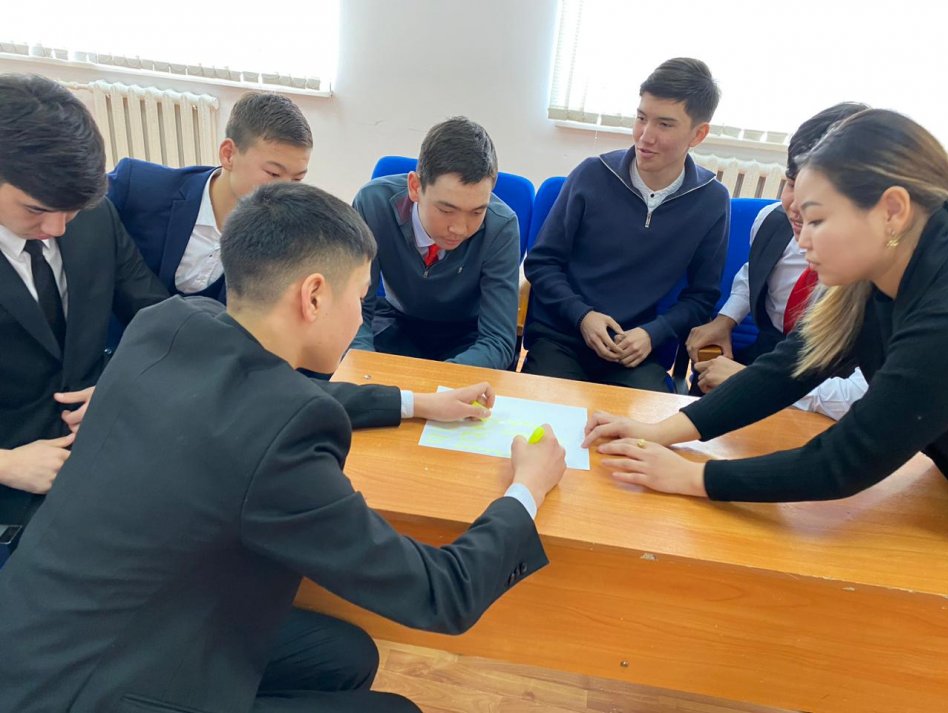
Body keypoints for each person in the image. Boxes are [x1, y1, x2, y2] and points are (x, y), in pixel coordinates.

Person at [0, 181, 567, 713]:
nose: (361, 316)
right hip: (91, 693)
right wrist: (527, 488)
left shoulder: (169, 323)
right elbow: (442, 594)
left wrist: (418, 402)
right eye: (361, 297)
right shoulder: (285, 440)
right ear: (313, 296)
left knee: (347, 656)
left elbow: (259, 402)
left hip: (40, 630)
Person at [583, 109, 948, 502]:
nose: (803, 241)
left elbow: (848, 458)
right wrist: (658, 431)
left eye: (817, 221)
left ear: (892, 211)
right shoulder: (877, 273)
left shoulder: (940, 315)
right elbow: (785, 370)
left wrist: (694, 477)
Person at [0, 74, 168, 544]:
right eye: (35, 210)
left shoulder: (93, 215)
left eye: (69, 211)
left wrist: (122, 385)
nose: (56, 228)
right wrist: (7, 465)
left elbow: (156, 315)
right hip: (14, 466)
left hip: (101, 439)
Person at [522, 57, 729, 392]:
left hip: (635, 350)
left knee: (650, 424)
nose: (645, 136)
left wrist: (653, 333)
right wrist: (582, 316)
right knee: (546, 417)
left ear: (699, 134)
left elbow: (702, 297)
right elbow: (541, 263)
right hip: (562, 339)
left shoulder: (711, 199)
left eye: (664, 124)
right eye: (641, 118)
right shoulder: (592, 175)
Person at [686, 103, 869, 420]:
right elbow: (754, 272)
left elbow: (860, 398)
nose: (796, 206)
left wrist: (751, 382)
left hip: (830, 390)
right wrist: (725, 320)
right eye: (791, 183)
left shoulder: (877, 271)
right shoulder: (770, 221)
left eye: (818, 192)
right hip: (767, 356)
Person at [108, 91, 312, 302]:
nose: (285, 191)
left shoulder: (281, 241)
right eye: (273, 173)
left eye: (297, 179)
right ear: (228, 155)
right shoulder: (137, 187)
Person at [350, 116, 519, 370]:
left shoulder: (501, 226)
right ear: (415, 187)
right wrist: (364, 371)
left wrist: (437, 382)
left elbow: (497, 340)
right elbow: (355, 309)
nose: (459, 228)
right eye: (446, 210)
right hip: (396, 323)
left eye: (477, 212)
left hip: (467, 336)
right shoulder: (373, 205)